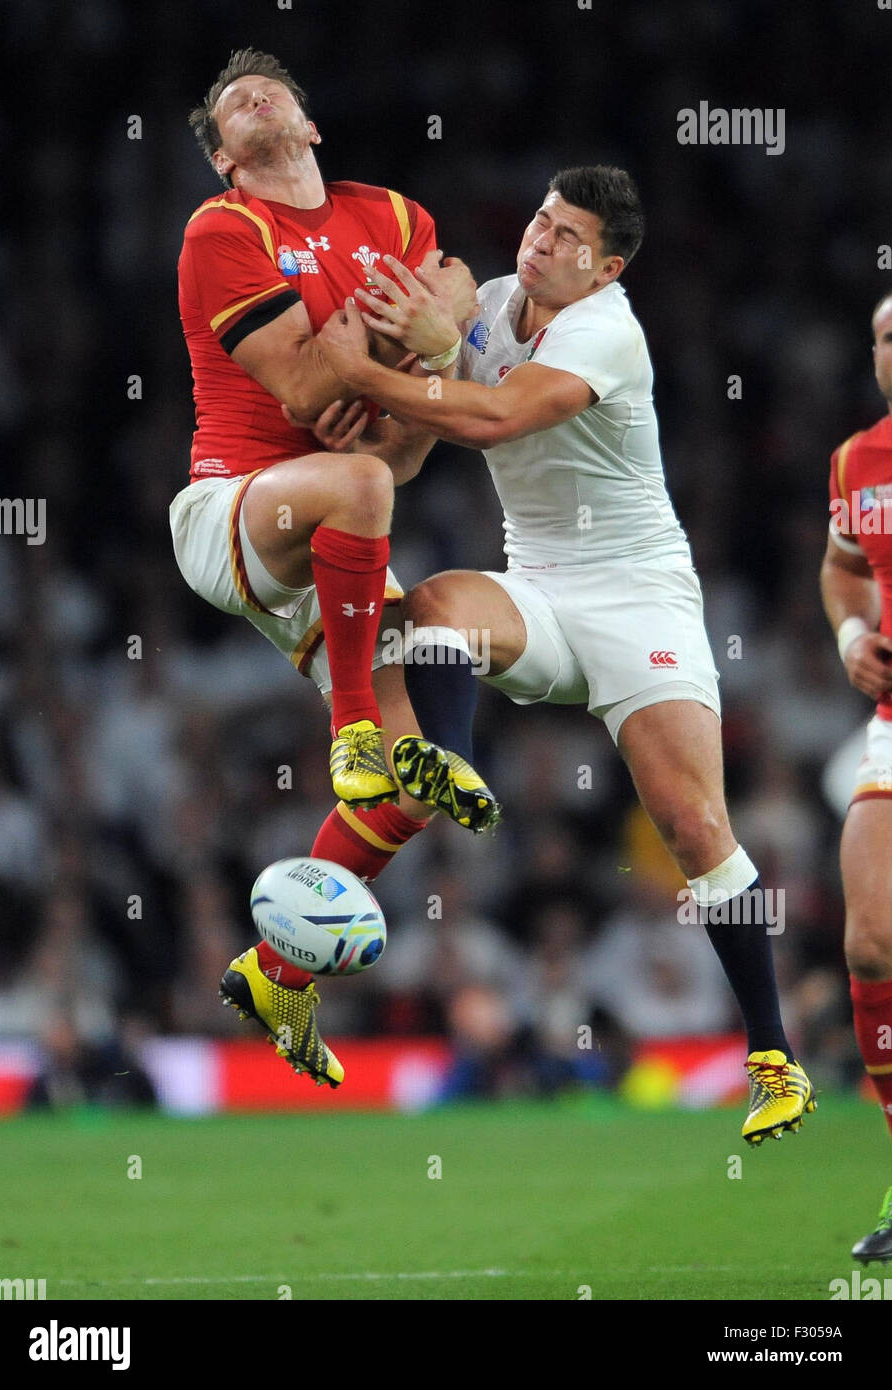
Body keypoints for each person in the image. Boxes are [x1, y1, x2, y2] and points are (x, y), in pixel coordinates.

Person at [317, 164, 815, 1144]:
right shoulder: (495, 305)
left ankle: (772, 1059)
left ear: (607, 266)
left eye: (566, 238)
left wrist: (368, 376)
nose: (540, 242)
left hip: (640, 602)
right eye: (541, 222)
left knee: (690, 824)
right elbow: (437, 408)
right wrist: (370, 434)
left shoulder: (607, 331)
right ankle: (445, 759)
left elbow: (495, 415)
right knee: (436, 604)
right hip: (538, 586)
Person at [172, 49, 476, 1088]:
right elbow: (309, 389)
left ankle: (271, 970)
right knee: (357, 481)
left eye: (269, 91)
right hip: (234, 509)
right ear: (224, 157)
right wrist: (420, 360)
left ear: (307, 123)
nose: (251, 100)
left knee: (413, 784)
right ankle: (345, 725)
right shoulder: (224, 231)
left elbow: (444, 343)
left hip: (338, 535)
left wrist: (410, 369)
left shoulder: (388, 215)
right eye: (229, 108)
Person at [820, 292, 892, 1261]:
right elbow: (842, 567)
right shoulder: (855, 461)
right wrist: (847, 634)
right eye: (882, 332)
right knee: (871, 939)